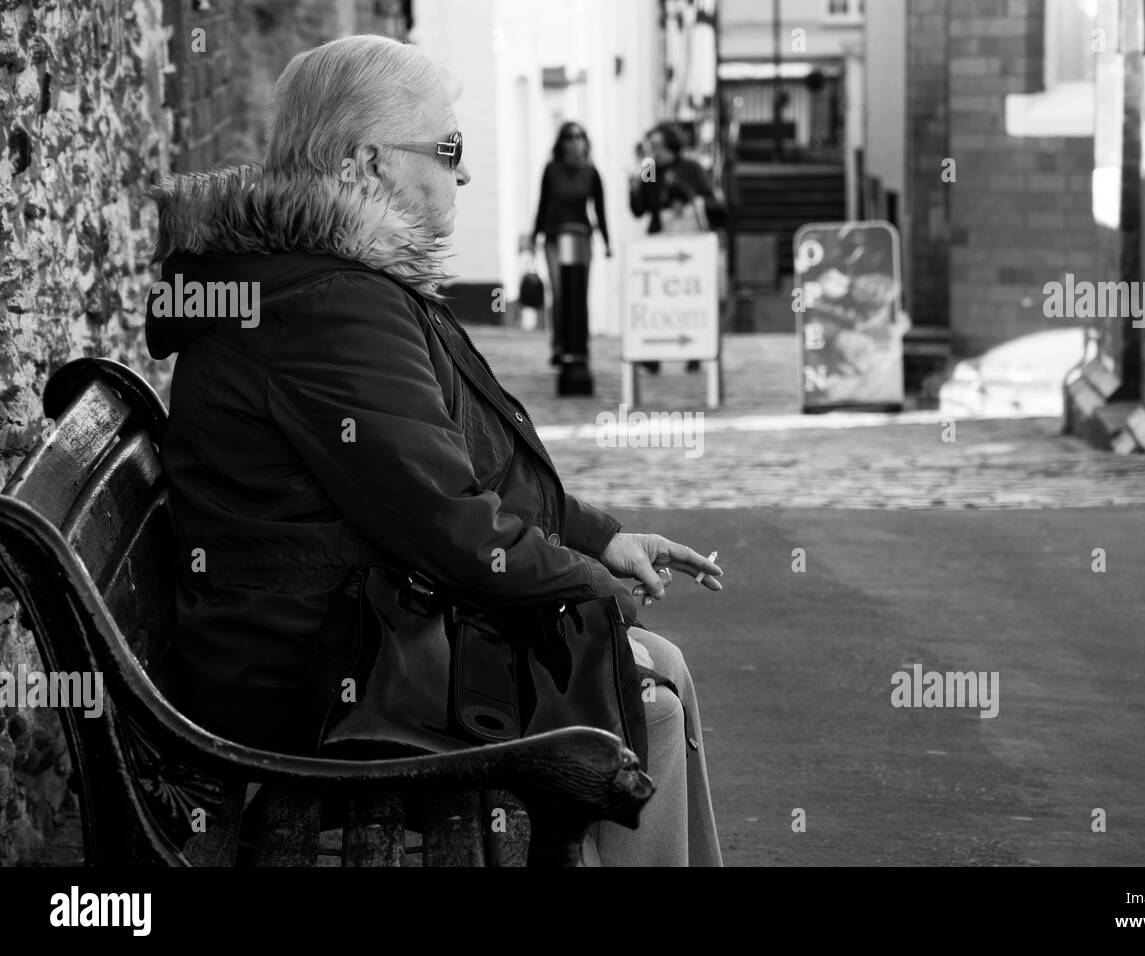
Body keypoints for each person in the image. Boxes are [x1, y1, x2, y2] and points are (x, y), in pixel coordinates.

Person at [144, 35, 723, 867]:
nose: (465, 172)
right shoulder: (329, 303)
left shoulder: (324, 280)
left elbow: (459, 468)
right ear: (364, 164)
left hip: (330, 628)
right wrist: (592, 594)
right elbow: (450, 523)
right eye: (449, 148)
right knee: (645, 703)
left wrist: (596, 539)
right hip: (313, 673)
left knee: (651, 670)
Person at [628, 123, 722, 374]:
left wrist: (683, 196)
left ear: (670, 145)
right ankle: (652, 354)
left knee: (685, 296)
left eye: (656, 145)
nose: (653, 151)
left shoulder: (690, 167)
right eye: (650, 146)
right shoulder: (650, 168)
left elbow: (708, 199)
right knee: (655, 297)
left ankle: (694, 350)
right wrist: (635, 185)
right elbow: (640, 207)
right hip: (659, 237)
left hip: (687, 239)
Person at [532, 121, 611, 368]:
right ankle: (559, 344)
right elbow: (542, 204)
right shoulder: (551, 170)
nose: (576, 142)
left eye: (580, 137)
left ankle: (580, 345)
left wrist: (608, 242)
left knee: (579, 291)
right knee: (559, 291)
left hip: (581, 238)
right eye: (570, 137)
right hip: (555, 237)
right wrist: (535, 235)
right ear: (562, 143)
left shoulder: (591, 172)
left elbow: (600, 210)